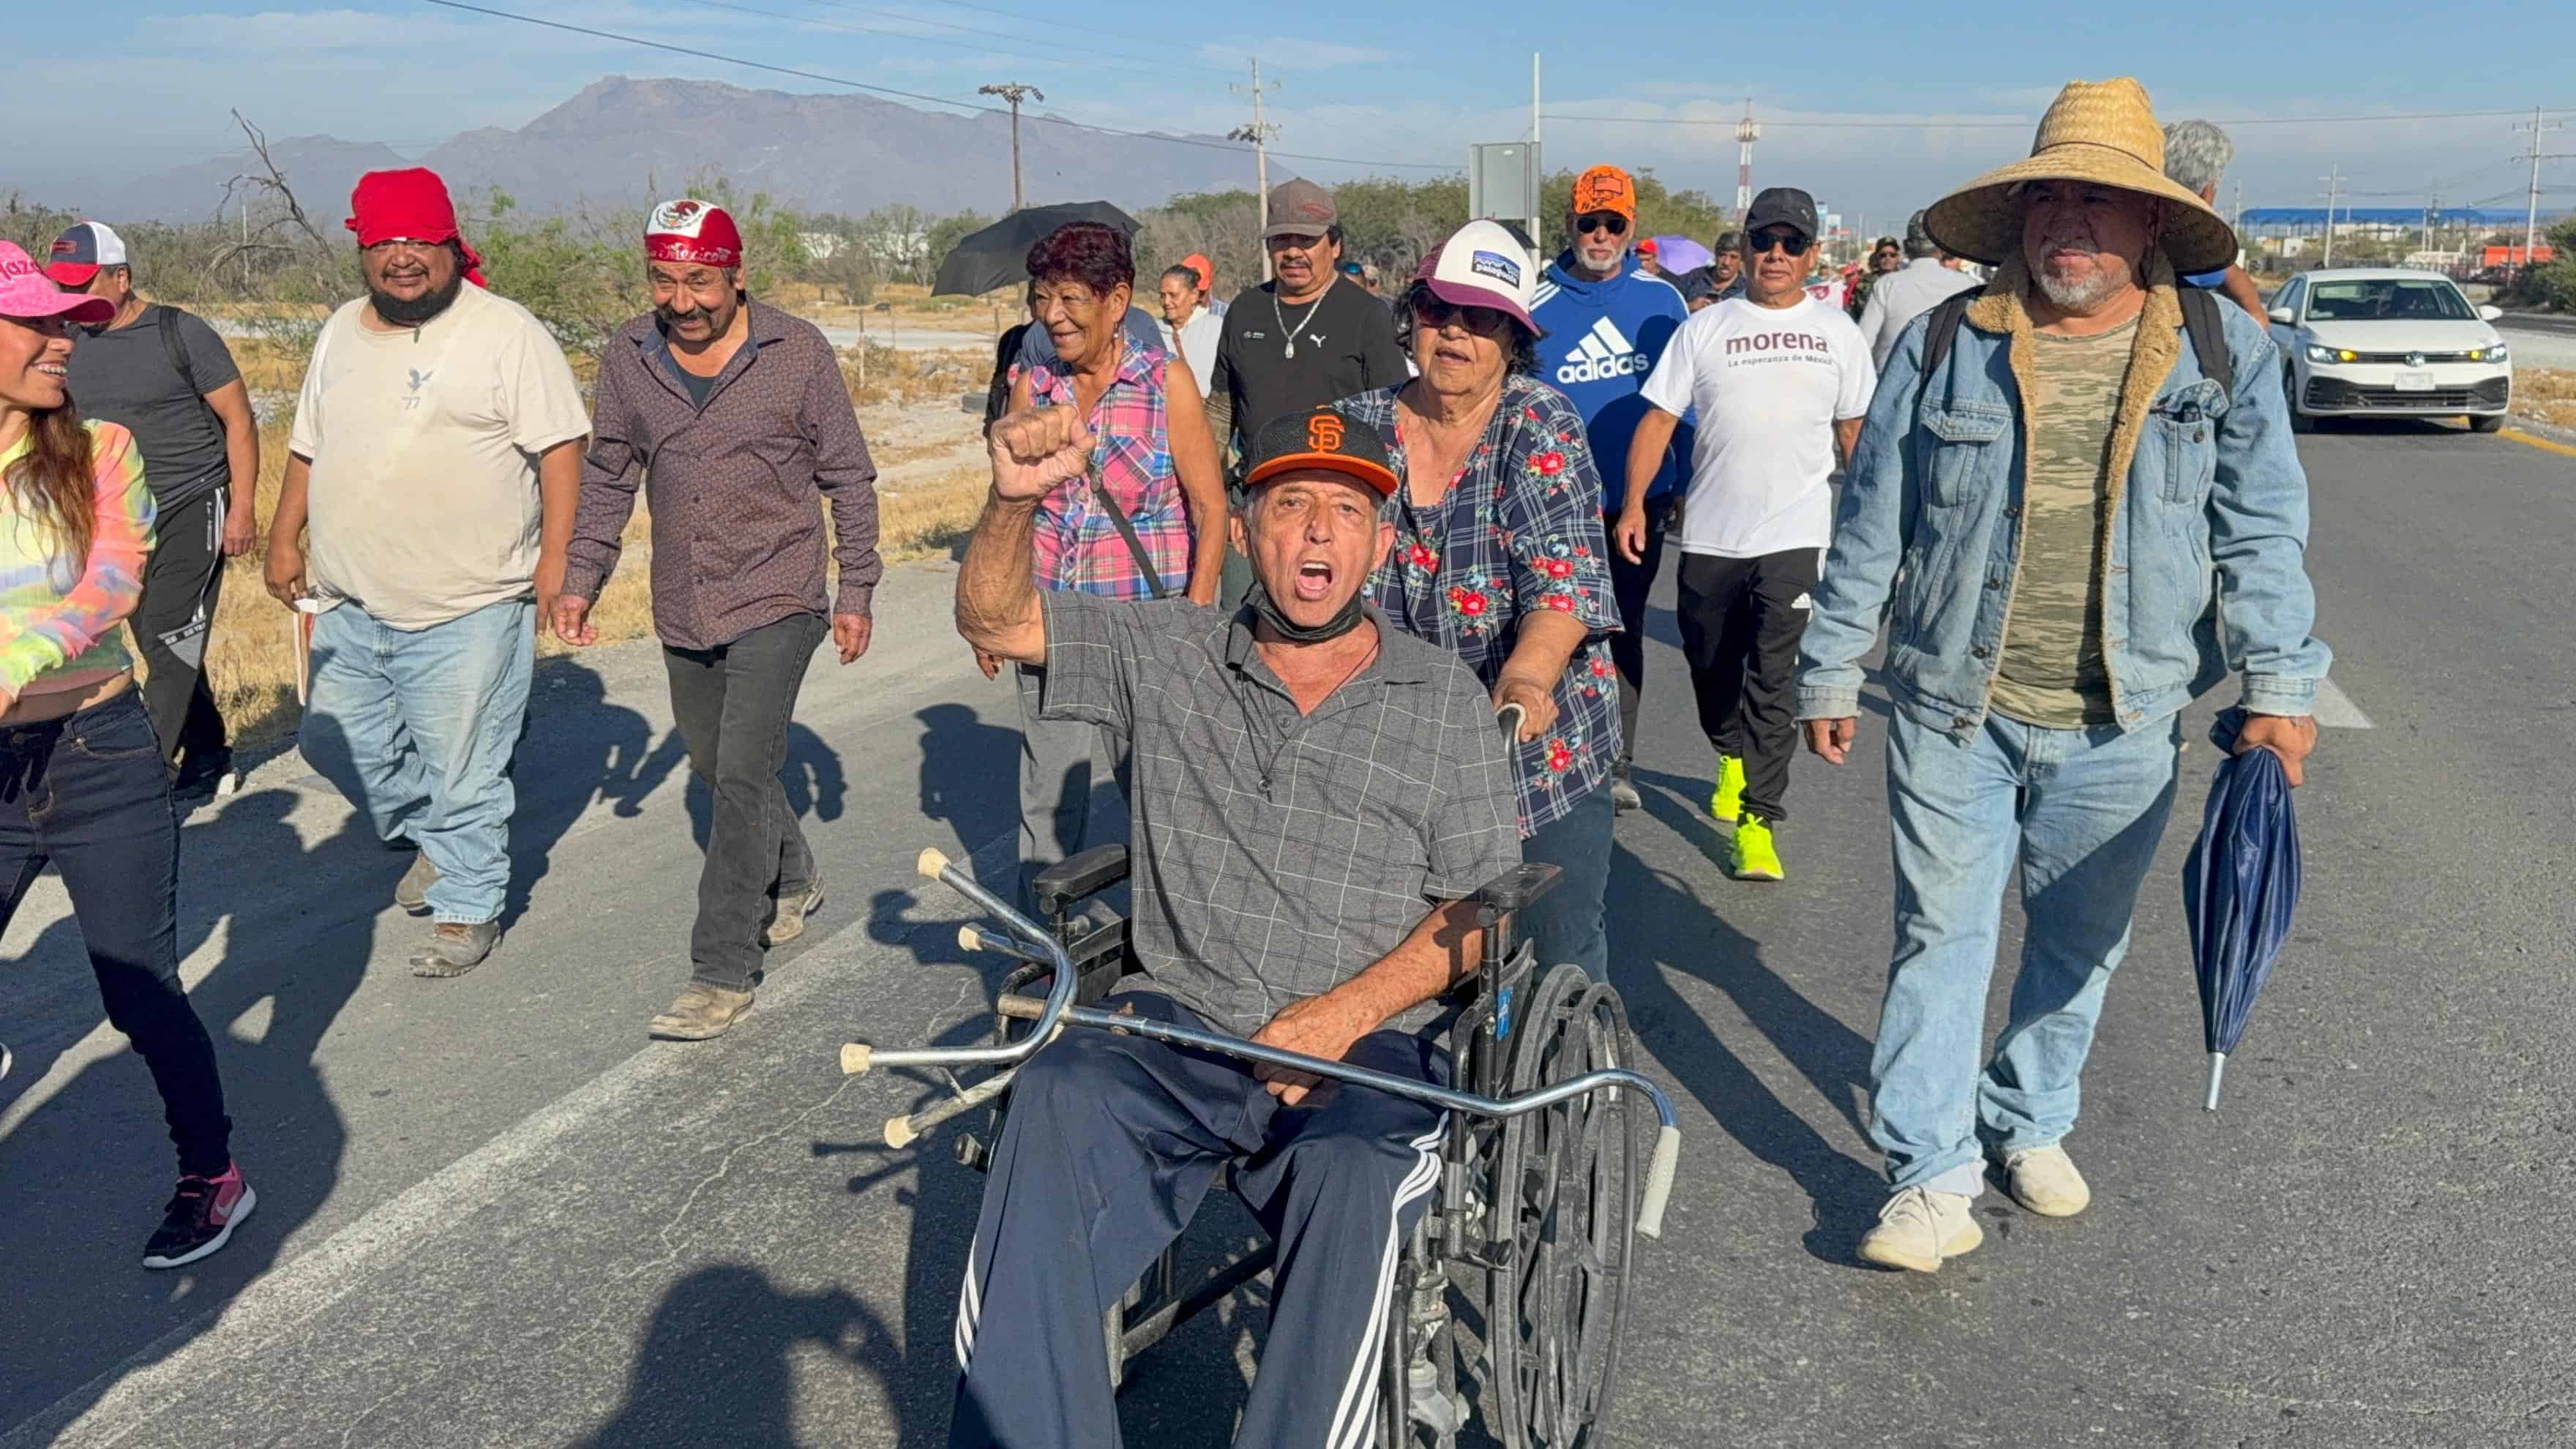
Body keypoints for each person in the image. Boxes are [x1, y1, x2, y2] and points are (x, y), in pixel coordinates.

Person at [1799, 78, 2328, 1274]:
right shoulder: (1946, 342)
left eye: (2102, 201)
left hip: (2127, 718)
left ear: (2151, 225)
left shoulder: (2220, 349)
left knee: (2080, 943)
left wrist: (2282, 688)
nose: (2071, 225)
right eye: (2050, 199)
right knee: (1941, 936)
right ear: (2019, 215)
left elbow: (2261, 531)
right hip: (1952, 704)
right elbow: (1872, 521)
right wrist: (1833, 668)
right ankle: (1930, 1180)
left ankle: (2028, 1115)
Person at [947, 397, 1519, 1449]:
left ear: (1381, 543)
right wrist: (1010, 503)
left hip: (1364, 1056)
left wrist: (1338, 1018)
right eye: (1291, 503)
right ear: (1246, 525)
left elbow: (1480, 911)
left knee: (1360, 1178)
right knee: (1056, 1095)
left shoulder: (1441, 697)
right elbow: (994, 621)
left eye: (1347, 512)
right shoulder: (1167, 648)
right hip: (1179, 1025)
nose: (1316, 531)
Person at [555, 200, 880, 1040]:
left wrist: (856, 591)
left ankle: (721, 969)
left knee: (739, 770)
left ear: (736, 276)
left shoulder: (796, 351)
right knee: (714, 763)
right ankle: (796, 873)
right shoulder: (629, 354)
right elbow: (609, 474)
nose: (682, 300)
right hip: (684, 600)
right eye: (665, 280)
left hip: (779, 592)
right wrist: (580, 576)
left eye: (699, 280)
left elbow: (847, 475)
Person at [265, 168, 591, 977]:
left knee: (465, 766)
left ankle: (468, 905)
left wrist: (556, 558)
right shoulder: (341, 330)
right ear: (362, 249)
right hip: (350, 600)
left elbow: (560, 448)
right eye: (384, 242)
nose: (402, 258)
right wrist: (283, 535)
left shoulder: (505, 331)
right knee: (334, 744)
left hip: (471, 601)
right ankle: (444, 841)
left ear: (450, 245)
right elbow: (309, 443)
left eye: (419, 241)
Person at [0, 242, 254, 1268]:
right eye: (39, 323)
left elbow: (111, 585)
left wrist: (17, 655)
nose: (64, 339)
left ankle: (213, 1175)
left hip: (99, 753)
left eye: (69, 323)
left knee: (138, 991)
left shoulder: (101, 448)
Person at [1336, 220, 1621, 983]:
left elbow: (1562, 580)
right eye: (1438, 311)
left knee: (1558, 946)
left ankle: (1569, 1094)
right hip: (1395, 745)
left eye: (1483, 319)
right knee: (1396, 953)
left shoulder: (1537, 420)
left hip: (1528, 747)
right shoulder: (1356, 425)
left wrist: (1527, 678)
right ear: (1411, 320)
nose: (1456, 332)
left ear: (1512, 339)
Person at [1620, 187, 1874, 883]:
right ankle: (1728, 752)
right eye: (1765, 240)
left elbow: (1855, 435)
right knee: (1708, 664)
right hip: (1710, 535)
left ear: (1813, 254)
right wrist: (1635, 502)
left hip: (1796, 534)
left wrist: (1871, 527)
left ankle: (1759, 821)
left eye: (1793, 243)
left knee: (1773, 677)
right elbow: (1658, 421)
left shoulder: (1838, 333)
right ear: (1746, 246)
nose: (1777, 255)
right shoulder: (1705, 328)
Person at [1005, 222, 1228, 905]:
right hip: (1054, 623)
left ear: (1116, 299)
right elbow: (1013, 510)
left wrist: (1191, 620)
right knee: (1047, 805)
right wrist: (998, 613)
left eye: (1071, 299)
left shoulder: (1167, 383)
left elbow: (1210, 509)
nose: (1053, 316)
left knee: (1160, 795)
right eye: (1043, 298)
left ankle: (1180, 938)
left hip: (1147, 628)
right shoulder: (1032, 383)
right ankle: (1047, 949)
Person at [45, 222, 258, 793]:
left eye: (84, 284)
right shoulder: (65, 341)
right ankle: (209, 753)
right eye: (64, 287)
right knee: (160, 638)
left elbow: (239, 420)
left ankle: (145, 785)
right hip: (117, 515)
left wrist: (242, 510)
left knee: (169, 635)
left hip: (194, 499)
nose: (74, 298)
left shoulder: (180, 332)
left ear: (122, 277)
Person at [1530, 165, 1690, 815]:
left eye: (1613, 223)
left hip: (1637, 502)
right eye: (1588, 223)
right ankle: (1548, 743)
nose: (1600, 235)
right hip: (1553, 499)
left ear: (1631, 227)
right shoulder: (1536, 302)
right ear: (1569, 224)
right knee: (1551, 624)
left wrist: (1680, 482)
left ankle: (1614, 758)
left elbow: (1687, 405)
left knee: (1620, 626)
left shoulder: (1664, 301)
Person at [1203, 178, 1409, 458]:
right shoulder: (1244, 310)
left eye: (1306, 240)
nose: (1292, 252)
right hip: (1258, 488)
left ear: (1335, 246)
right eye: (1281, 240)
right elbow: (1221, 409)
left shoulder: (1368, 314)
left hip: (1339, 487)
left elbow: (1393, 415)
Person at [2162, 119, 2271, 322]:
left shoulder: (2130, 224)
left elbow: (2229, 273)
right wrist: (2256, 319)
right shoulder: (2196, 242)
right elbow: (2241, 292)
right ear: (2208, 192)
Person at [1857, 209, 1985, 370]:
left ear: (1906, 246)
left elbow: (1863, 341)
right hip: (1948, 384)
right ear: (1942, 247)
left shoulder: (1887, 284)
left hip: (1891, 381)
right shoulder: (1967, 285)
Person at [1156, 263, 1223, 396]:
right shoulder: (1152, 330)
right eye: (1162, 295)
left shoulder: (1216, 329)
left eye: (1173, 295)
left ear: (1193, 295)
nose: (1166, 302)